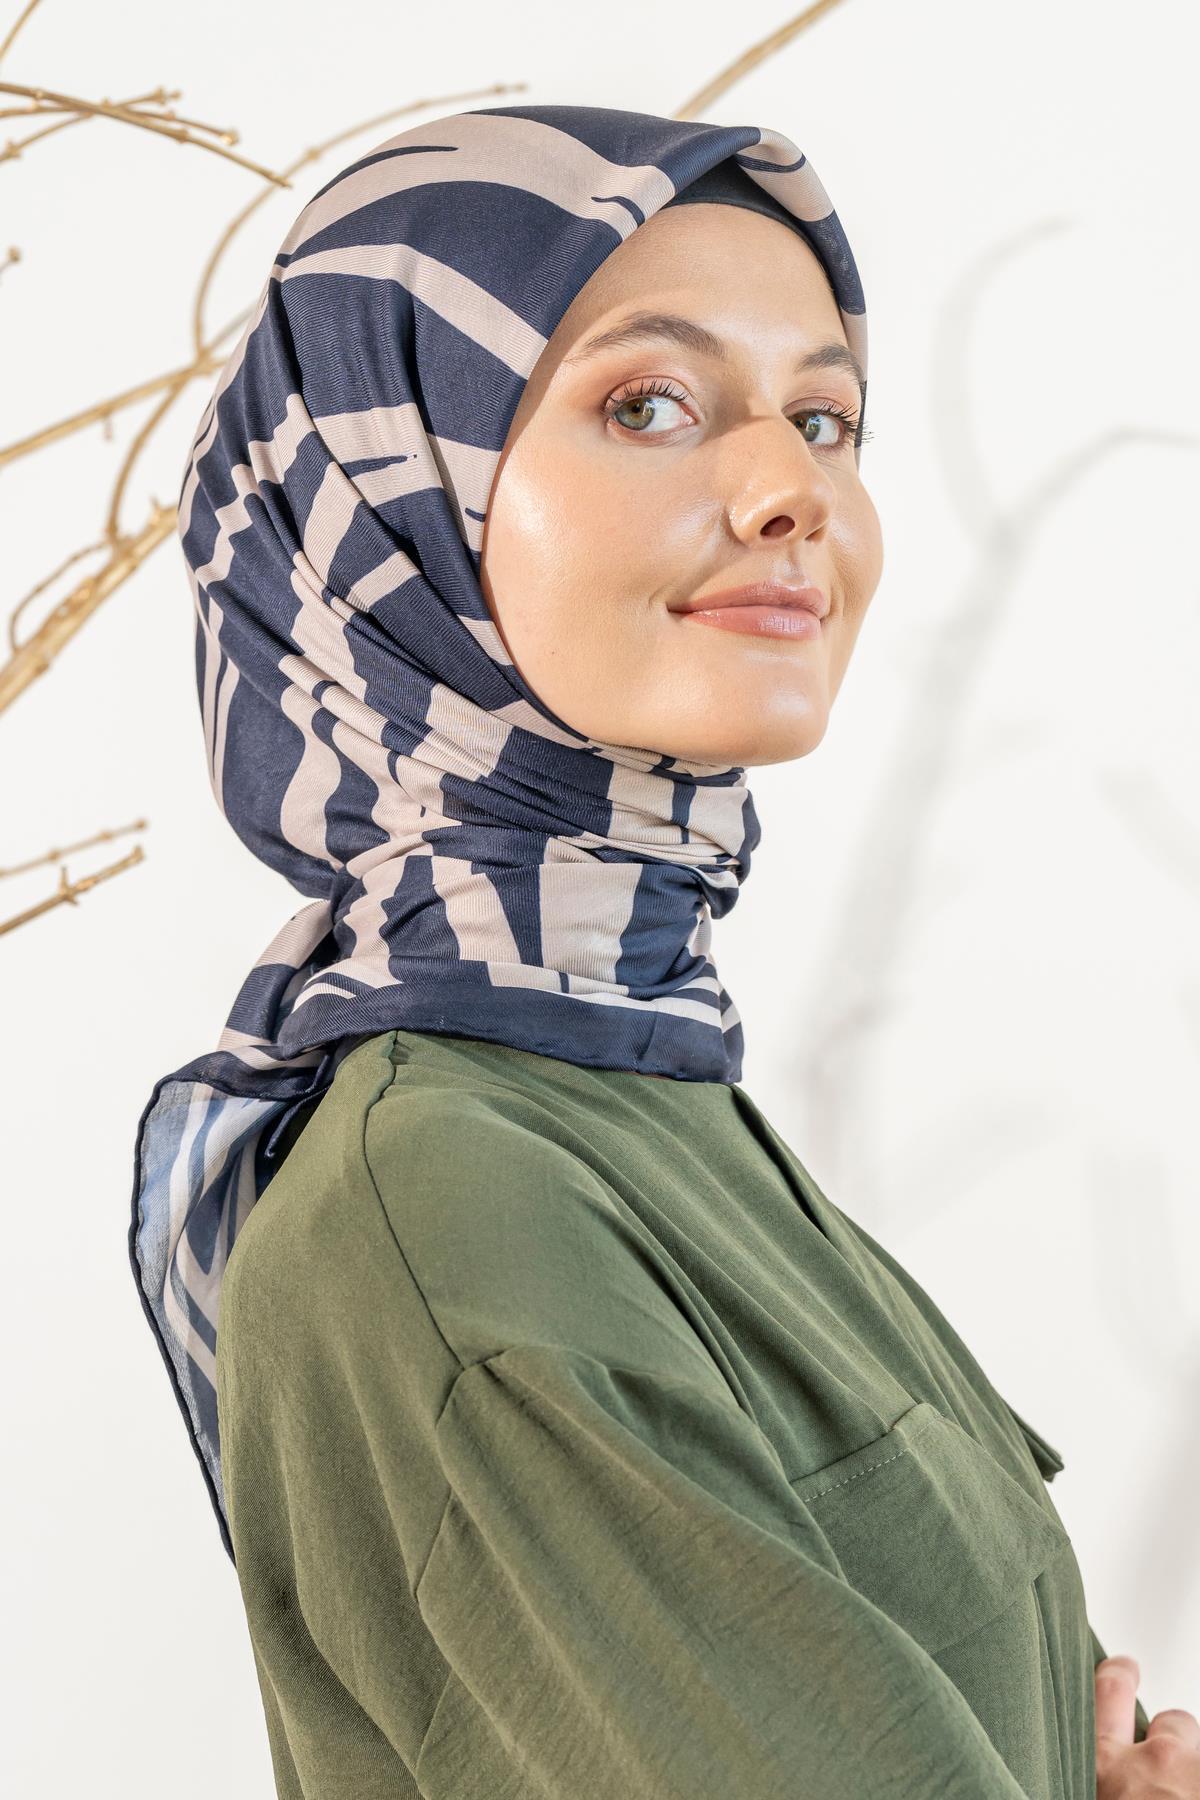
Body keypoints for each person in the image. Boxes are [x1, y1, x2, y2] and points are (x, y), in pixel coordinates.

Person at [127, 103, 1193, 1797]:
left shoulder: (642, 1085)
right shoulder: (458, 1199)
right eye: (649, 404)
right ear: (388, 506)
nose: (793, 491)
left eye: (824, 418)